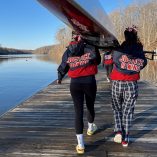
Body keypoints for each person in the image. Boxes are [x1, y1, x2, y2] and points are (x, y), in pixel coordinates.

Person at [57, 31, 101, 154]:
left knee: (78, 111)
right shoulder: (91, 47)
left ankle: (80, 145)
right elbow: (97, 61)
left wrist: (60, 77)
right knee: (90, 106)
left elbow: (63, 65)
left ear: (73, 37)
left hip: (74, 84)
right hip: (89, 82)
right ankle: (91, 128)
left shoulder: (69, 50)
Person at [110, 25, 147, 147]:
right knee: (128, 111)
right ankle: (125, 138)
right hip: (132, 84)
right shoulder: (139, 50)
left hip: (117, 82)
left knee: (117, 108)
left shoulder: (119, 49)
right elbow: (143, 63)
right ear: (136, 36)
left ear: (125, 36)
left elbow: (112, 60)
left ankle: (118, 131)